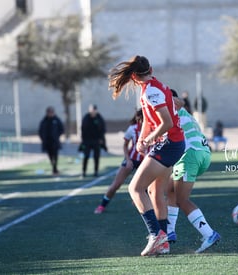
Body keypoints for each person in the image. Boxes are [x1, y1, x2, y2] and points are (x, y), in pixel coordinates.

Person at [108, 55, 185, 256]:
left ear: (133, 76)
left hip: (169, 145)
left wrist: (149, 139)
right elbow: (152, 120)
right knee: (155, 192)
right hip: (172, 144)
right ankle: (164, 241)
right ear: (150, 69)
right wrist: (143, 139)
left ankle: (155, 235)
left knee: (135, 188)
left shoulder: (151, 91)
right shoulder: (155, 86)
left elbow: (166, 123)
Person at [166, 89, 221, 253]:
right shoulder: (182, 114)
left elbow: (176, 102)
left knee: (182, 200)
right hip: (201, 153)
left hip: (190, 155)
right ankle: (169, 231)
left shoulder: (172, 107)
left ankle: (209, 234)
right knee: (170, 190)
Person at [94, 109, 146, 214]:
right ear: (139, 119)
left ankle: (141, 201)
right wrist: (128, 160)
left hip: (146, 161)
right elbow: (125, 145)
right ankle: (102, 205)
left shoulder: (153, 128)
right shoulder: (132, 129)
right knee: (116, 184)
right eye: (144, 119)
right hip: (132, 159)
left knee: (151, 185)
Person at [80, 104, 106, 177]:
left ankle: (96, 171)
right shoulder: (86, 118)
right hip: (87, 141)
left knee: (96, 156)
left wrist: (101, 139)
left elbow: (102, 129)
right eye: (91, 110)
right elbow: (82, 129)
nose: (93, 112)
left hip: (96, 140)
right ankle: (84, 171)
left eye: (94, 110)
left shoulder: (99, 118)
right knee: (86, 156)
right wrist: (83, 140)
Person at [38, 106, 64, 176]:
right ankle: (54, 167)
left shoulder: (56, 120)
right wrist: (43, 138)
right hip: (47, 142)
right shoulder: (44, 121)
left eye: (51, 112)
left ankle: (55, 169)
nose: (50, 114)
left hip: (55, 142)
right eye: (49, 112)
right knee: (50, 156)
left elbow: (61, 129)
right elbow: (40, 131)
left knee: (55, 155)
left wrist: (57, 136)